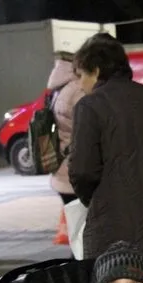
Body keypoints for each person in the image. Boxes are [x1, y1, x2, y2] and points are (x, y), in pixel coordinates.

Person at [69, 33, 143, 283]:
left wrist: (91, 201)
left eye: (81, 75)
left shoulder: (91, 106)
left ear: (95, 70)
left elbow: (83, 171)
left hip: (114, 229)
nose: (80, 84)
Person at [46, 51, 87, 205]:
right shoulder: (77, 90)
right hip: (75, 171)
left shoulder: (59, 89)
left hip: (62, 167)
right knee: (81, 225)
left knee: (74, 223)